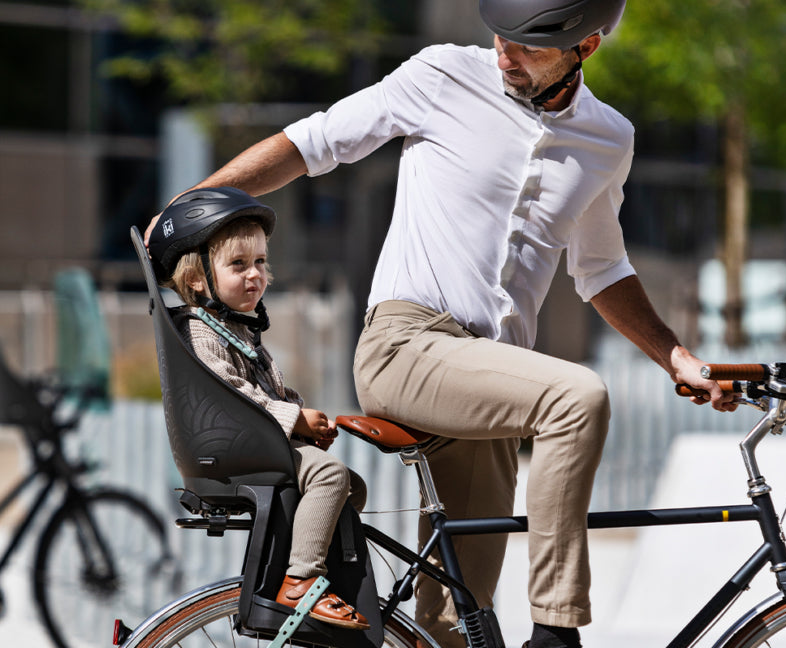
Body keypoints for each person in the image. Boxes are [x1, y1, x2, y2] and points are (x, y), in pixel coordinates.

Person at [145, 2, 736, 646]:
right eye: (501, 39)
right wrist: (186, 209)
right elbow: (311, 145)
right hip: (407, 347)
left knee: (458, 627)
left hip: (492, 380)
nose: (506, 56)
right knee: (577, 396)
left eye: (528, 49)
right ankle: (557, 631)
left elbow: (601, 269)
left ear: (587, 47)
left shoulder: (607, 138)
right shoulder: (441, 75)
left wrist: (675, 356)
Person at [149, 186, 370, 631]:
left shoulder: (236, 329)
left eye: (260, 263)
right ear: (196, 279)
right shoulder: (202, 332)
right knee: (329, 476)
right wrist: (294, 420)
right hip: (237, 448)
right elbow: (231, 395)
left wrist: (303, 424)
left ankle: (306, 561)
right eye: (238, 265)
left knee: (352, 490)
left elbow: (265, 391)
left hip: (255, 441)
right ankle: (302, 580)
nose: (255, 275)